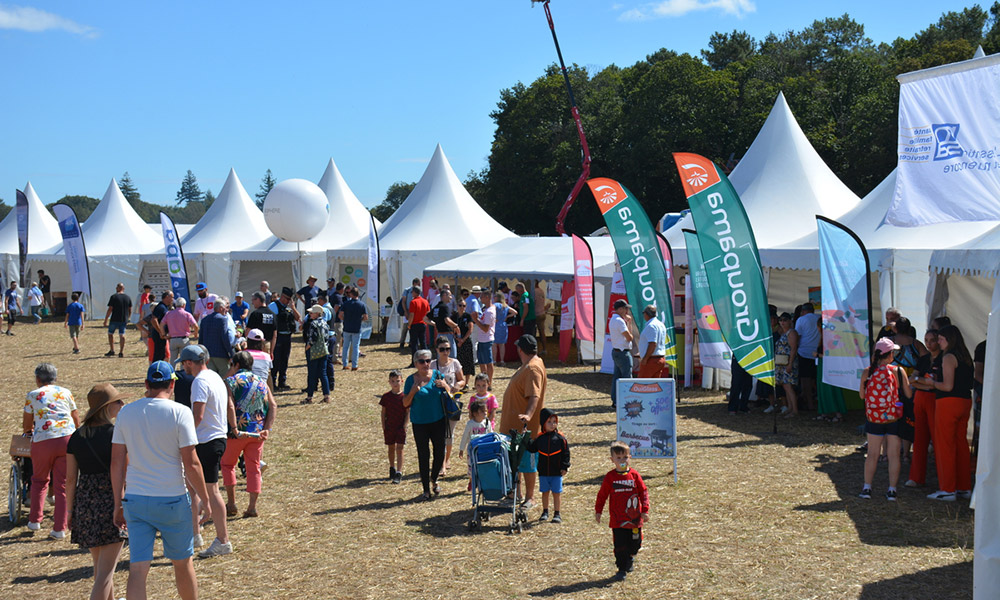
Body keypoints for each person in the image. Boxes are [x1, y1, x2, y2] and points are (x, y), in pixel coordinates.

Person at [111, 360, 211, 600]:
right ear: (172, 384)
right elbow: (192, 462)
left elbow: (116, 463)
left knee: (137, 568)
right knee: (183, 563)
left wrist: (118, 503)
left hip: (135, 499)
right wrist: (206, 500)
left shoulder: (126, 412)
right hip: (172, 499)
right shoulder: (180, 412)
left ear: (147, 384)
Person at [65, 383, 126, 600]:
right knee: (105, 574)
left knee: (101, 569)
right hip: (112, 501)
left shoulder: (76, 436)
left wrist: (70, 511)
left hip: (85, 503)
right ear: (107, 407)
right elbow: (125, 471)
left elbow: (71, 479)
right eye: (118, 401)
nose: (122, 404)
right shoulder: (116, 435)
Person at [179, 344, 235, 557]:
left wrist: (184, 436)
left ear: (190, 362)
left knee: (211, 491)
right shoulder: (214, 377)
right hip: (217, 437)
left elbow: (198, 415)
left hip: (206, 441)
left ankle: (222, 540)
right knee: (192, 486)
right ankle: (196, 534)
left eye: (184, 363)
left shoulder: (199, 382)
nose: (184, 367)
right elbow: (228, 405)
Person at [23, 363, 79, 538]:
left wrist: (28, 432)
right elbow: (76, 418)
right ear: (56, 378)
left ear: (38, 379)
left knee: (39, 480)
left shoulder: (32, 395)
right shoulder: (66, 392)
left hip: (43, 440)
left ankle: (34, 520)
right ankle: (60, 529)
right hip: (66, 440)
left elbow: (27, 423)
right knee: (62, 485)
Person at [221, 351, 276, 519]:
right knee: (254, 468)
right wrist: (267, 428)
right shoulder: (261, 381)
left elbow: (230, 406)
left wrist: (233, 427)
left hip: (236, 433)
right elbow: (273, 405)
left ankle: (231, 503)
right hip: (257, 432)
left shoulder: (230, 382)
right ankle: (252, 506)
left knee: (228, 465)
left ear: (236, 365)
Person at [858, 337, 913, 501]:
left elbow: (862, 395)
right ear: (890, 355)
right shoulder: (898, 371)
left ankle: (867, 488)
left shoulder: (868, 371)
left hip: (874, 418)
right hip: (893, 418)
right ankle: (892, 490)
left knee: (872, 454)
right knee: (894, 455)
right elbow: (909, 395)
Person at [925, 325, 975, 501]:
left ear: (949, 339)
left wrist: (932, 384)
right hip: (965, 402)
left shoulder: (948, 357)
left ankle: (947, 489)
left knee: (945, 445)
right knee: (961, 445)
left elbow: (947, 386)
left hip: (948, 403)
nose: (938, 342)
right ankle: (964, 487)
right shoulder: (966, 357)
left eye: (940, 339)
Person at [499, 334, 547, 510]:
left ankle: (530, 497)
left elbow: (534, 396)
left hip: (524, 429)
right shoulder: (532, 363)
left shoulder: (532, 368)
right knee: (515, 461)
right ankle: (516, 493)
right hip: (514, 427)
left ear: (520, 350)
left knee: (527, 463)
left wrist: (528, 415)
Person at [595, 441, 650, 581]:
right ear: (612, 460)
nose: (622, 461)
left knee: (635, 543)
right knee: (620, 545)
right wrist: (598, 510)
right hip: (618, 519)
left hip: (634, 519)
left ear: (629, 457)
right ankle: (621, 569)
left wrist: (645, 510)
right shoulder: (610, 477)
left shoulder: (634, 475)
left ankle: (631, 557)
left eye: (625, 457)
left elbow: (643, 492)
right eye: (618, 458)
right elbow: (602, 495)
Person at [402, 349, 450, 501]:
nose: (426, 364)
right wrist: (412, 392)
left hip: (439, 420)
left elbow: (450, 395)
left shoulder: (437, 375)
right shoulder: (411, 380)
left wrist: (446, 386)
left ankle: (434, 479)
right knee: (424, 456)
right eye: (422, 361)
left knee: (439, 454)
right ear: (416, 363)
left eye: (428, 360)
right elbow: (405, 403)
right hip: (420, 423)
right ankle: (426, 490)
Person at [906, 328, 942, 488]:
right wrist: (925, 383)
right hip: (921, 398)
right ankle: (916, 477)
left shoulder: (944, 359)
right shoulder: (924, 358)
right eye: (926, 340)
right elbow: (912, 379)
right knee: (919, 439)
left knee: (938, 439)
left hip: (935, 400)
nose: (928, 344)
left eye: (931, 340)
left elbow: (936, 384)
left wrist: (922, 382)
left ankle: (943, 479)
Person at [431, 334, 466, 475]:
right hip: (437, 403)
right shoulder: (433, 364)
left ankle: (445, 462)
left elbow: (462, 380)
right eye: (442, 349)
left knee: (449, 434)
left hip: (452, 403)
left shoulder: (455, 363)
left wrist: (458, 385)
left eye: (448, 349)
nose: (445, 352)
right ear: (437, 350)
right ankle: (442, 461)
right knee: (440, 434)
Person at [529, 408, 570, 523]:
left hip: (556, 471)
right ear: (543, 423)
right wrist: (524, 438)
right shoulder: (540, 438)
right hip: (543, 471)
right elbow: (532, 448)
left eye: (554, 422)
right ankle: (545, 511)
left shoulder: (561, 438)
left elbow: (566, 453)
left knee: (556, 493)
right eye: (549, 422)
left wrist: (565, 466)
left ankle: (557, 513)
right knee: (545, 492)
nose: (553, 424)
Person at [457, 399, 493, 489]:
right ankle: (471, 481)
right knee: (471, 466)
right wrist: (461, 449)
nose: (485, 413)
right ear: (475, 413)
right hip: (472, 450)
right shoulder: (470, 424)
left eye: (486, 410)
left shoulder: (487, 423)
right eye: (482, 411)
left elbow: (491, 434)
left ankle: (482, 482)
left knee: (482, 465)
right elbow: (465, 437)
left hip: (483, 449)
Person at [380, 369, 407, 484]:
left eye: (397, 381)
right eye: (393, 381)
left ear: (402, 381)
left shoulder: (404, 397)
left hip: (400, 426)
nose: (395, 383)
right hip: (390, 426)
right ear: (389, 382)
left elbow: (407, 412)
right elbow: (383, 412)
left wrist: (405, 425)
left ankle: (399, 472)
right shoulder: (386, 397)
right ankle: (392, 467)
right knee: (391, 447)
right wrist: (383, 425)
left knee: (400, 449)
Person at [771, 312, 800, 418]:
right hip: (781, 363)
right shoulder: (783, 332)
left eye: (785, 320)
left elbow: (793, 349)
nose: (782, 322)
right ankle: (790, 407)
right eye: (781, 320)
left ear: (790, 321)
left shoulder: (791, 333)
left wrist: (790, 363)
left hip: (788, 362)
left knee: (788, 386)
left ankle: (795, 410)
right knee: (785, 386)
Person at [794, 302, 821, 411]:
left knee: (805, 381)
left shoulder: (801, 319)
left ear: (803, 311)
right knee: (816, 380)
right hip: (818, 353)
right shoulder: (820, 317)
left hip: (804, 353)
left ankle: (810, 405)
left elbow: (797, 336)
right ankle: (817, 403)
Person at [198, 295, 235, 374]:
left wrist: (200, 353)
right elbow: (224, 337)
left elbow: (200, 338)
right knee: (224, 377)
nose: (226, 310)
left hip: (208, 354)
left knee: (212, 377)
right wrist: (231, 353)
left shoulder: (204, 320)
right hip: (221, 354)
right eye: (225, 307)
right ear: (221, 308)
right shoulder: (222, 319)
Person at [303, 304, 332, 404]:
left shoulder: (313, 324)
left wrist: (307, 348)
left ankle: (309, 397)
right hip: (324, 351)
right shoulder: (325, 323)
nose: (310, 314)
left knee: (312, 374)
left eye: (311, 312)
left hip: (314, 351)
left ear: (316, 313)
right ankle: (326, 396)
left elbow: (312, 339)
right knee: (323, 373)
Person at [609, 299, 634, 409]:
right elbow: (629, 337)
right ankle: (628, 400)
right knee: (627, 377)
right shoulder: (620, 321)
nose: (627, 311)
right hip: (623, 352)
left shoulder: (613, 319)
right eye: (625, 308)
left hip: (616, 351)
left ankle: (615, 401)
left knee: (617, 377)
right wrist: (629, 323)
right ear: (620, 309)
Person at [339, 286, 368, 371]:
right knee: (355, 347)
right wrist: (360, 320)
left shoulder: (346, 304)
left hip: (347, 327)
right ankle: (354, 365)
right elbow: (366, 317)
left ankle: (345, 364)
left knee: (345, 346)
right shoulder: (362, 304)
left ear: (351, 294)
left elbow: (340, 315)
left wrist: (345, 319)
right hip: (356, 328)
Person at [163, 296, 199, 360]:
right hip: (184, 339)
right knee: (184, 359)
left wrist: (163, 334)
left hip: (173, 339)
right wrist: (195, 333)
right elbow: (195, 326)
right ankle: (183, 370)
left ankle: (172, 369)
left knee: (173, 359)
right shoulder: (187, 314)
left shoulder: (168, 314)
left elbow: (161, 324)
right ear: (184, 305)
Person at [637, 305, 667, 378]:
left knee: (642, 384)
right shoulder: (661, 324)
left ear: (646, 314)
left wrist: (645, 358)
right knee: (654, 386)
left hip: (651, 360)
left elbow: (652, 344)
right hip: (660, 358)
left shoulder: (651, 326)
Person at [474, 287, 497, 385]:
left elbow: (485, 328)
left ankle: (489, 382)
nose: (480, 299)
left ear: (487, 297)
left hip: (486, 339)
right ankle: (484, 381)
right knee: (482, 362)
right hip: (482, 339)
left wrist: (475, 320)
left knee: (488, 361)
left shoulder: (489, 311)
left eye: (482, 297)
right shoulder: (486, 309)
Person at [103, 282, 132, 356]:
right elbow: (130, 309)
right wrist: (128, 317)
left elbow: (110, 309)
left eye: (117, 287)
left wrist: (106, 319)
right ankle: (121, 351)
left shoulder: (114, 297)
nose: (116, 288)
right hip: (123, 319)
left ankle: (112, 350)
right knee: (122, 334)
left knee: (110, 334)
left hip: (114, 319)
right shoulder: (128, 297)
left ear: (119, 288)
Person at [430, 290, 460, 359]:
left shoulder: (436, 307)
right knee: (452, 357)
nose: (451, 297)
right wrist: (456, 326)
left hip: (439, 334)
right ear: (444, 296)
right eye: (449, 295)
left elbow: (425, 318)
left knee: (441, 357)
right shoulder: (445, 307)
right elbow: (447, 320)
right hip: (447, 335)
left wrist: (435, 324)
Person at [247, 291, 277, 356]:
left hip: (254, 345)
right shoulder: (273, 314)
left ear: (258, 299)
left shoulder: (255, 314)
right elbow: (274, 335)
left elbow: (248, 331)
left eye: (253, 300)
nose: (252, 303)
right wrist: (271, 351)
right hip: (267, 346)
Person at [149, 290, 174, 363]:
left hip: (162, 335)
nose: (172, 299)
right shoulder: (160, 307)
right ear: (167, 297)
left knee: (162, 354)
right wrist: (160, 332)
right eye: (172, 297)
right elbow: (153, 320)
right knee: (159, 355)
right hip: (158, 335)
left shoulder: (165, 307)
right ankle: (156, 371)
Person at [493, 292, 516, 367]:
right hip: (503, 324)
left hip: (496, 325)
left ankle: (494, 360)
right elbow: (515, 312)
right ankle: (502, 360)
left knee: (494, 344)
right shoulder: (505, 306)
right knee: (502, 344)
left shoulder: (495, 305)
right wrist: (507, 317)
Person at [455, 297, 475, 378]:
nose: (462, 307)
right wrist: (457, 339)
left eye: (464, 306)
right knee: (458, 362)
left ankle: (466, 382)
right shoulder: (454, 316)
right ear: (457, 306)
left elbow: (470, 329)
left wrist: (462, 340)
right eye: (460, 305)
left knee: (467, 362)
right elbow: (451, 329)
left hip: (466, 341)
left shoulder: (468, 316)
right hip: (456, 341)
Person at [408, 286, 431, 357]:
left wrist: (409, 324)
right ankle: (427, 358)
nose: (411, 293)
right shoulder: (425, 301)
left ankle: (414, 361)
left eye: (412, 292)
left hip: (414, 324)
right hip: (423, 324)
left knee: (414, 344)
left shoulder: (413, 302)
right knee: (423, 342)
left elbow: (412, 315)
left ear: (415, 292)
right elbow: (428, 313)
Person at [329, 281, 345, 362]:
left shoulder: (332, 295)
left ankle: (333, 356)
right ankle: (335, 358)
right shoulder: (338, 297)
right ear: (341, 289)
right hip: (337, 322)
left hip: (333, 321)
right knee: (337, 340)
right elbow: (336, 308)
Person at [534, 282, 548, 353]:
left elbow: (534, 303)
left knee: (533, 332)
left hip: (536, 314)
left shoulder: (534, 292)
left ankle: (534, 350)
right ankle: (544, 349)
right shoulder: (541, 290)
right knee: (542, 332)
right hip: (542, 312)